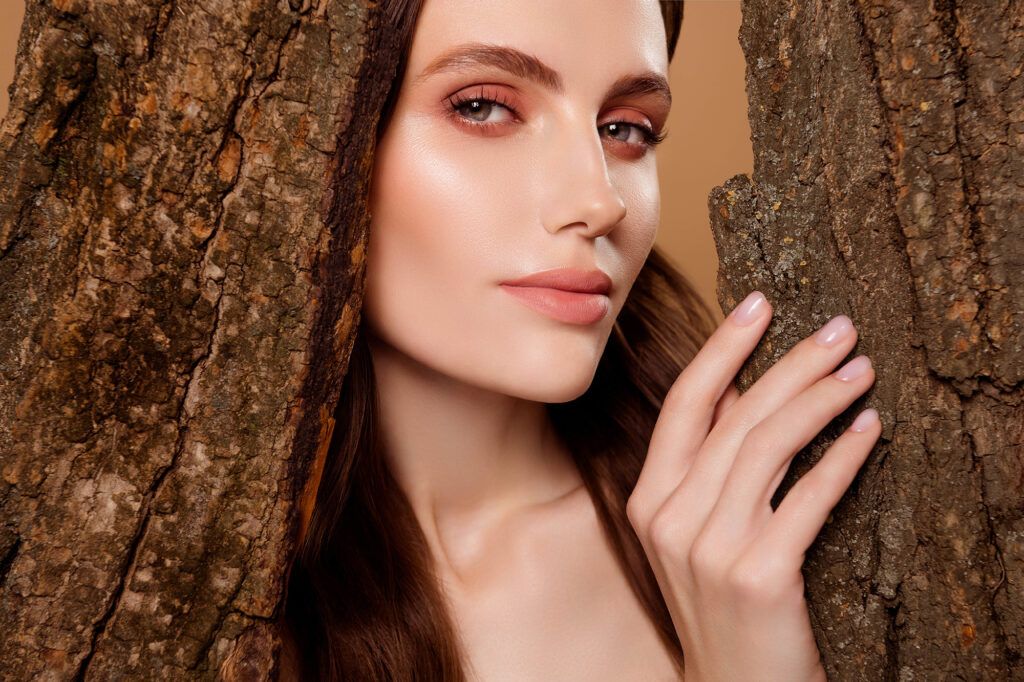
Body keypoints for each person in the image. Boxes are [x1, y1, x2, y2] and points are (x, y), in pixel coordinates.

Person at [279, 1, 882, 680]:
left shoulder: (764, 539)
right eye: (482, 107)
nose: (600, 202)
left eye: (625, 128)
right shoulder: (224, 600)